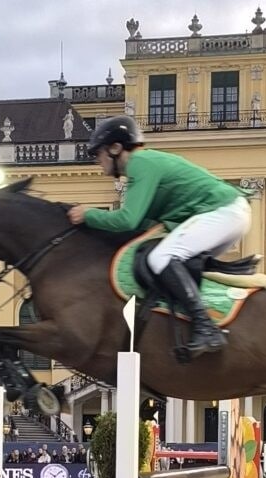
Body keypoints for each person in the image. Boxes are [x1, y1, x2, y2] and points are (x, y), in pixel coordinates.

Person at [66, 115, 248, 357]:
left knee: (161, 257)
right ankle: (196, 321)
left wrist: (88, 215)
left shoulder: (140, 163)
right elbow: (141, 225)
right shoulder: (144, 165)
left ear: (115, 148)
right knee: (169, 264)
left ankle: (206, 328)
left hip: (223, 211)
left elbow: (127, 220)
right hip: (227, 213)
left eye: (98, 155)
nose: (98, 163)